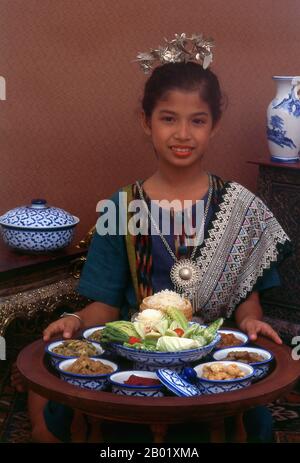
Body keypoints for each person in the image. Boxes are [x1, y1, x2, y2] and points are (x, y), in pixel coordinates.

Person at [18, 33, 291, 443]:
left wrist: (252, 321)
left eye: (197, 120)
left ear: (214, 126)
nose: (183, 133)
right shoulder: (122, 206)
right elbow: (106, 306)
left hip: (209, 359)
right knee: (69, 404)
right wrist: (74, 321)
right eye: (168, 118)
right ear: (147, 123)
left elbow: (247, 303)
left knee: (247, 424)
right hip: (136, 355)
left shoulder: (241, 207)